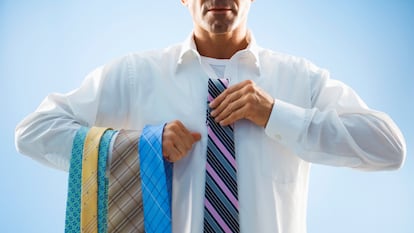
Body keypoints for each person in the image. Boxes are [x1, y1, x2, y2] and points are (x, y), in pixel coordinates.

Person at [15, 0, 406, 232]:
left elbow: (388, 148)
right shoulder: (136, 75)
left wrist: (277, 115)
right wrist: (142, 146)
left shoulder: (300, 80)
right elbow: (34, 132)